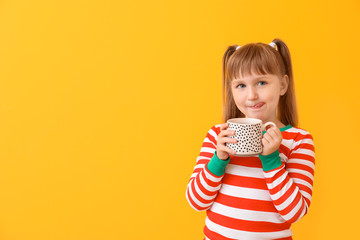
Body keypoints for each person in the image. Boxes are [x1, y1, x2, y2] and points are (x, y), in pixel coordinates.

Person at [185, 39, 315, 240]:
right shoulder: (218, 136)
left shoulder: (298, 141)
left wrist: (272, 160)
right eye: (241, 85)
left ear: (282, 85)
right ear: (231, 90)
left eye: (261, 83)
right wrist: (218, 159)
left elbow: (295, 212)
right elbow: (196, 201)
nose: (252, 95)